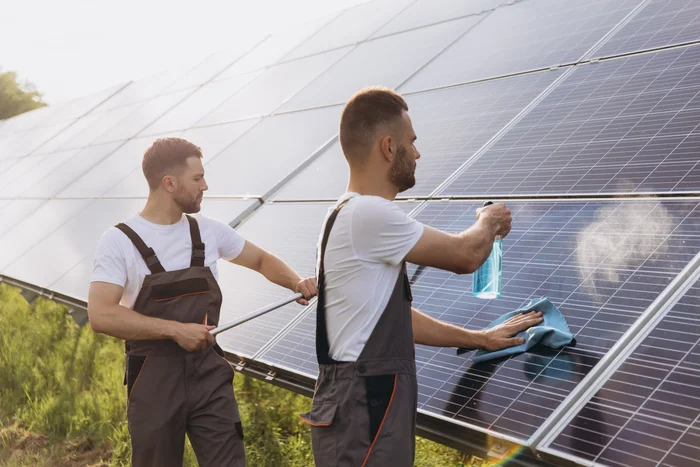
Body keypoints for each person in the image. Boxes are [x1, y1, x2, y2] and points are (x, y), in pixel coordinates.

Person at [299, 87, 544, 466]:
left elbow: (395, 322)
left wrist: (478, 338)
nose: (416, 153)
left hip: (367, 401)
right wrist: (489, 220)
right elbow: (464, 256)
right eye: (411, 142)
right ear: (388, 147)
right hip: (365, 403)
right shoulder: (367, 215)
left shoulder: (348, 215)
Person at [87, 137, 317, 467]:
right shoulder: (119, 241)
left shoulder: (209, 231)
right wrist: (175, 331)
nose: (205, 185)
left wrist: (296, 281)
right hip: (154, 376)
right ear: (169, 183)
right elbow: (101, 314)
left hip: (208, 370)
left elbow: (262, 260)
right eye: (197, 178)